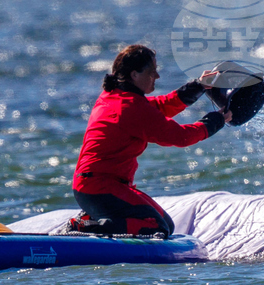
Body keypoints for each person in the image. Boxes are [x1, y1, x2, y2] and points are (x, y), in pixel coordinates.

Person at [72, 45, 231, 237]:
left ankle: (94, 221)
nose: (157, 76)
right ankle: (87, 226)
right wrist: (216, 120)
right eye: (151, 71)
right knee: (156, 227)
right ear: (134, 75)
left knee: (166, 225)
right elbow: (180, 137)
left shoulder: (116, 97)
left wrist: (199, 85)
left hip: (97, 187)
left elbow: (163, 105)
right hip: (99, 188)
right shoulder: (127, 107)